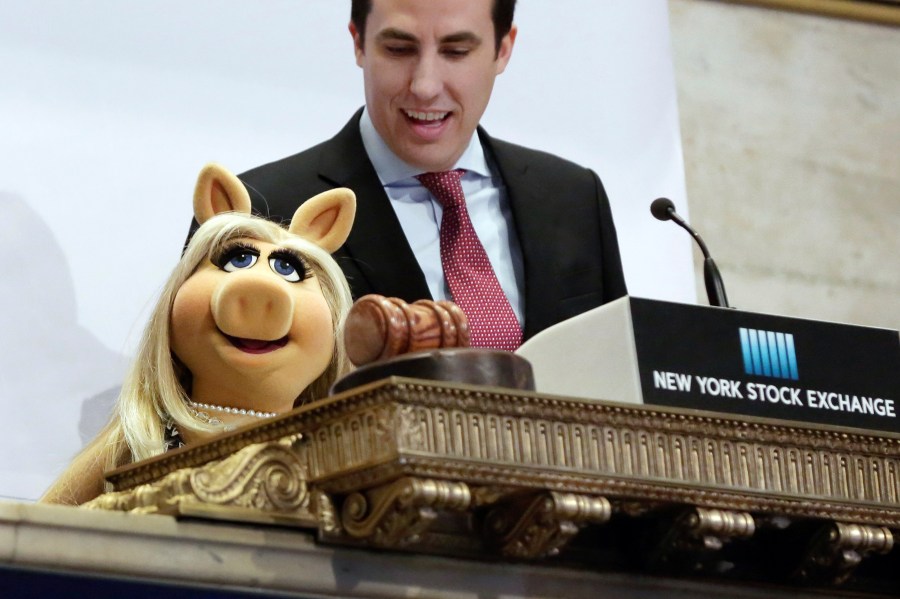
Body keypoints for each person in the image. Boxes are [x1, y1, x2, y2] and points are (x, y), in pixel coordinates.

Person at [224, 0, 627, 345]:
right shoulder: (261, 209)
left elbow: (621, 387)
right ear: (358, 42)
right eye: (399, 49)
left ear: (503, 50)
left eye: (455, 52)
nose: (425, 86)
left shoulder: (575, 197)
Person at [43, 164, 355, 505]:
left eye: (289, 270)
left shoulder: (331, 450)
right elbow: (44, 528)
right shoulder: (147, 436)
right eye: (237, 260)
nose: (261, 291)